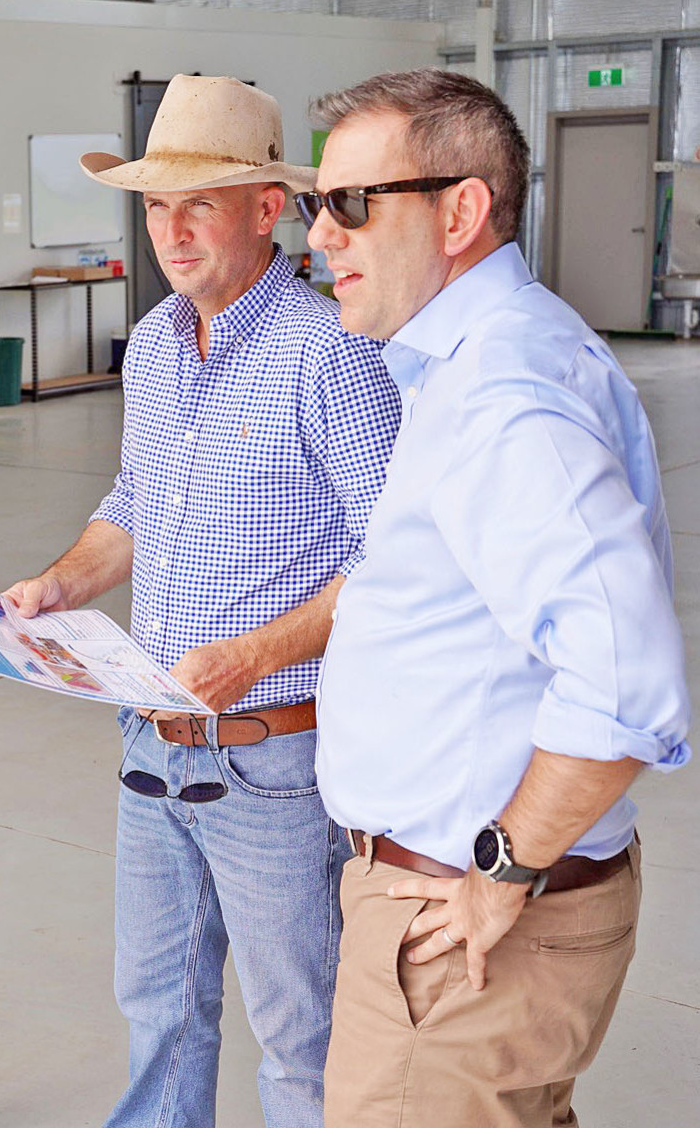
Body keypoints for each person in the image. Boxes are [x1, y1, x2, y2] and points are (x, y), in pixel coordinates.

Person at [4, 75, 398, 1128]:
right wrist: (58, 583)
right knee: (157, 1010)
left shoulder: (331, 354)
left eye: (198, 204)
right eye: (152, 206)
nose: (168, 233)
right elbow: (133, 501)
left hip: (271, 758)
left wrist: (259, 653)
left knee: (296, 1032)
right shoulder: (154, 346)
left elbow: (394, 557)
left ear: (266, 210)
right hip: (147, 741)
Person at [304, 68, 690, 1127]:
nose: (319, 237)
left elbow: (625, 684)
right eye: (314, 204)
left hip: (460, 933)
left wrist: (498, 870)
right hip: (456, 919)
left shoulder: (501, 395)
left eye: (350, 204)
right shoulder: (463, 367)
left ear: (460, 209)